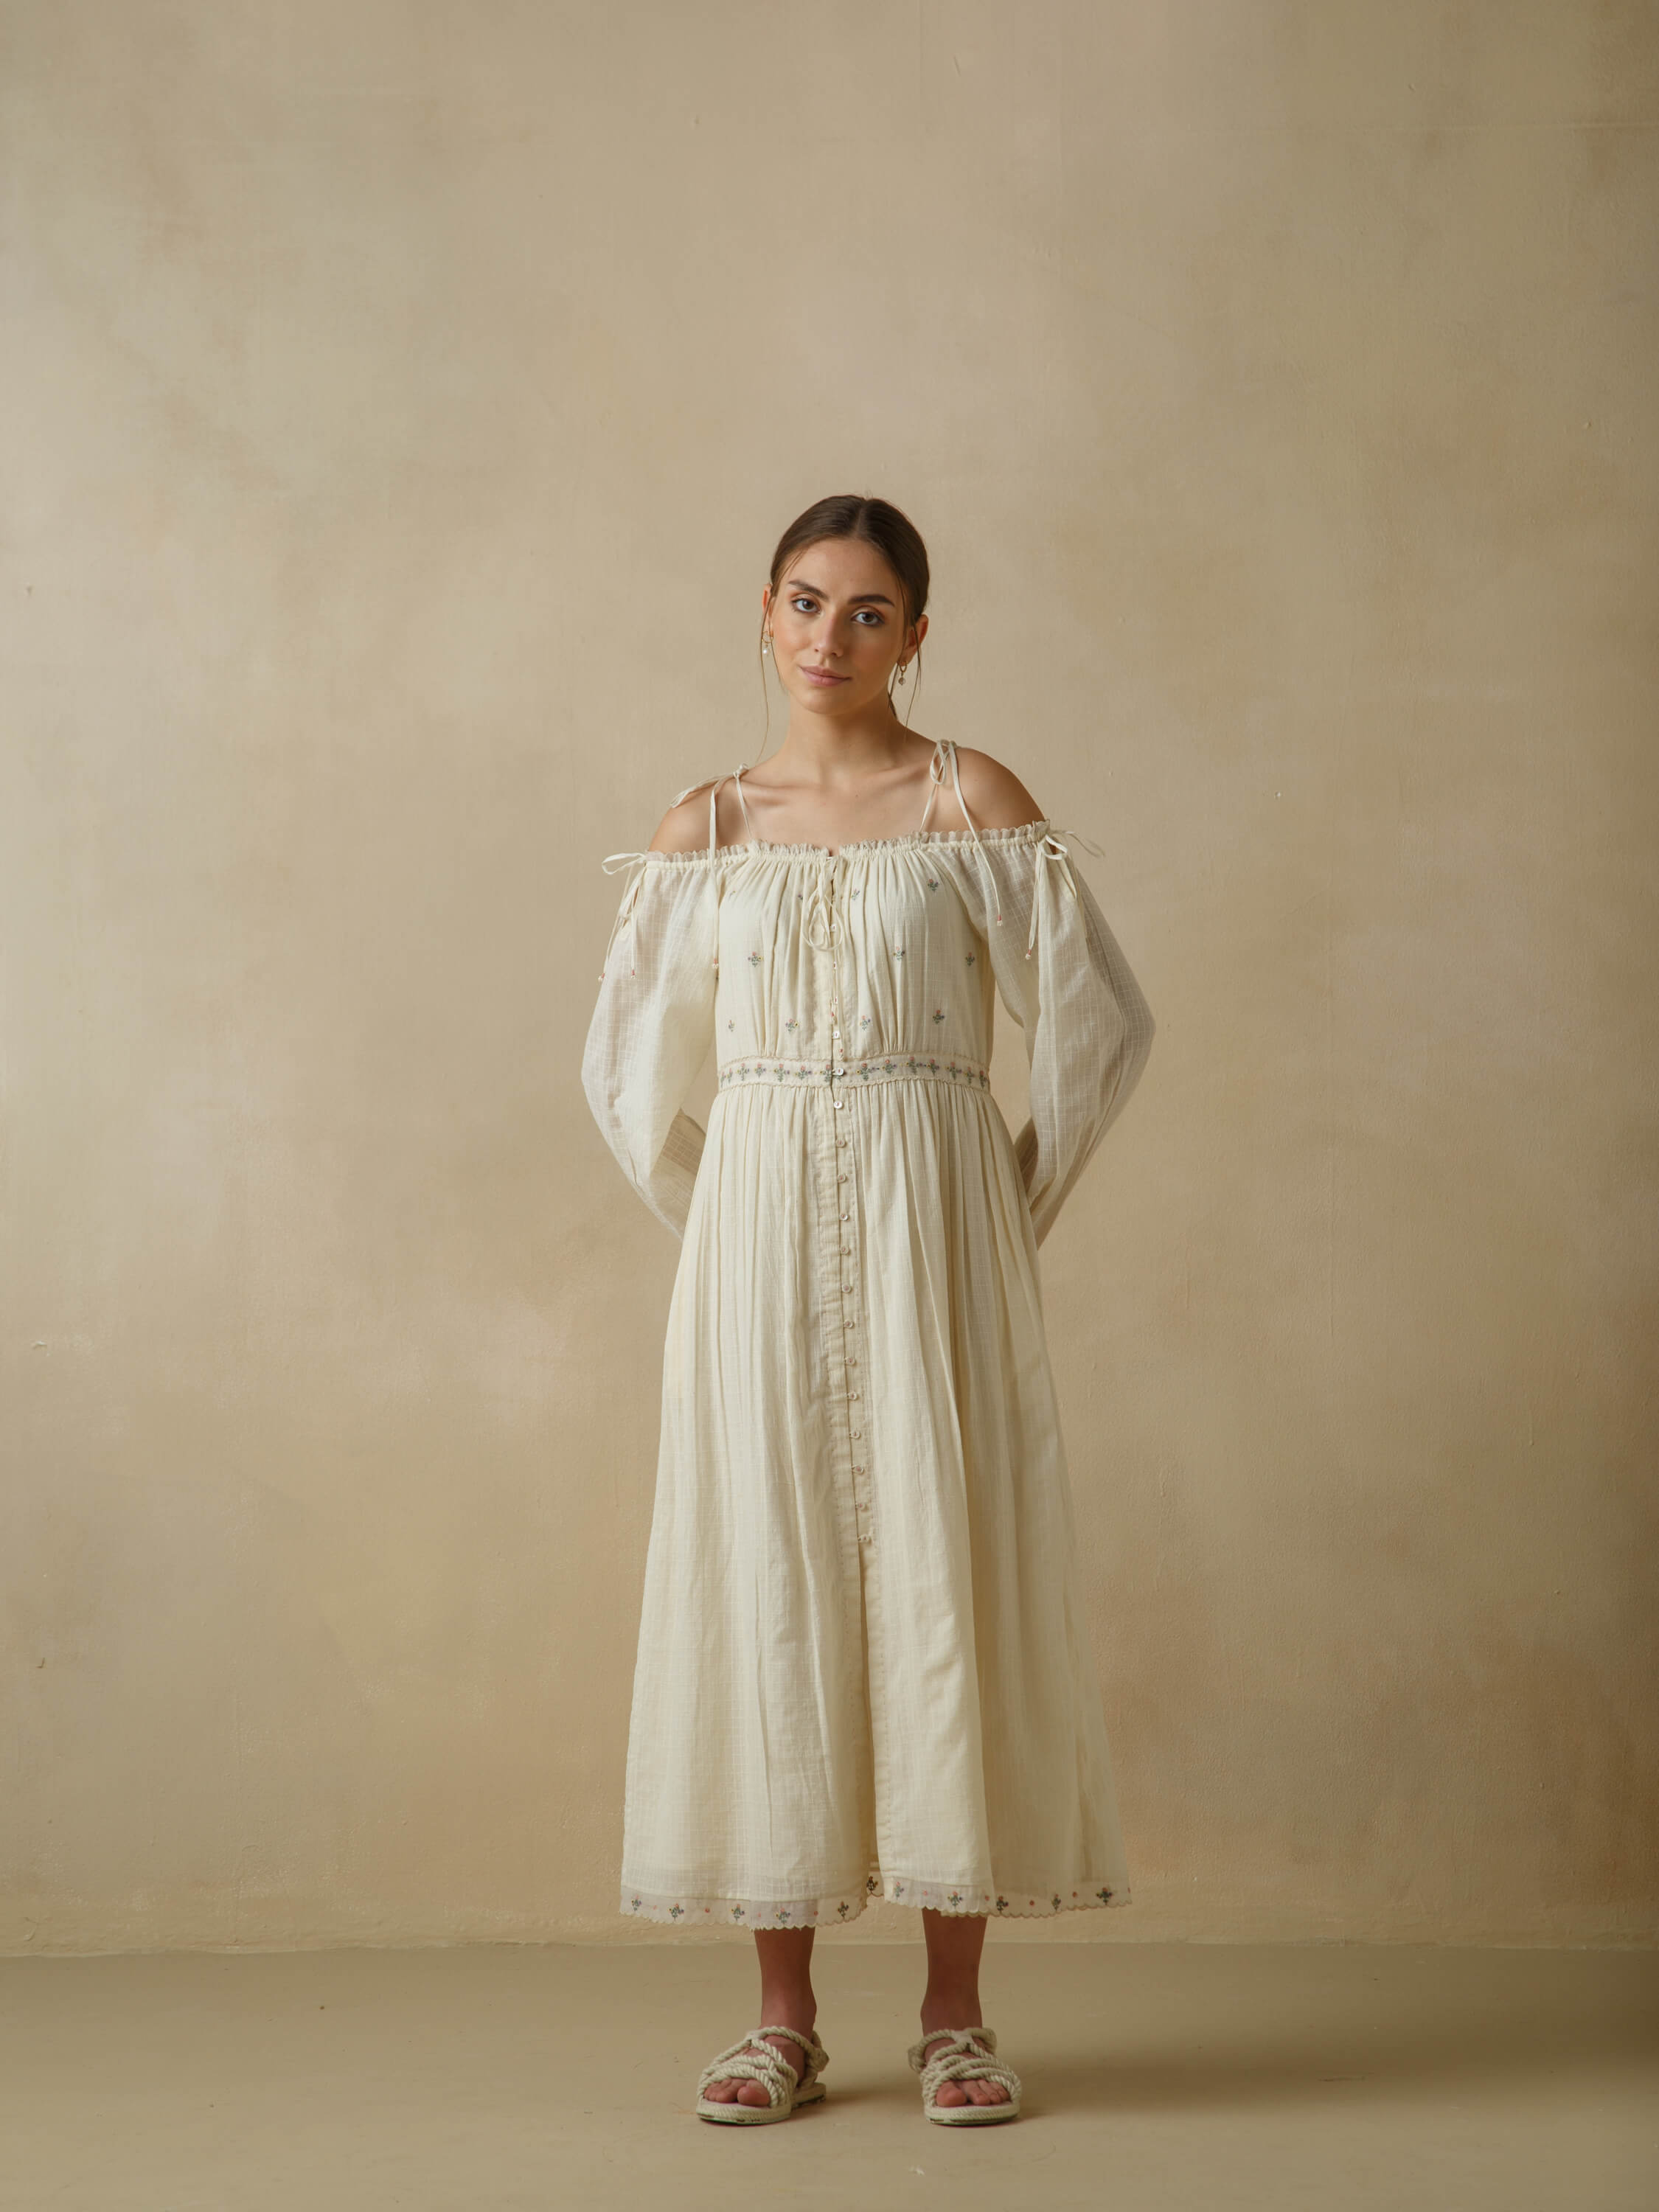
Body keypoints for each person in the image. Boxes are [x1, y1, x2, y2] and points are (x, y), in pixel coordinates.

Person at [581, 493, 1155, 2126]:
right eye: (804, 602)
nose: (830, 641)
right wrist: (729, 1228)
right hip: (755, 1242)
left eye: (871, 613)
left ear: (918, 633)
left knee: (940, 1569)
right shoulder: (704, 827)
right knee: (767, 1575)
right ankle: (779, 2020)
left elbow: (1101, 1029)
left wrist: (1000, 1204)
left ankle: (958, 2018)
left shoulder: (971, 801)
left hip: (936, 1232)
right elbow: (626, 1081)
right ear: (761, 613)